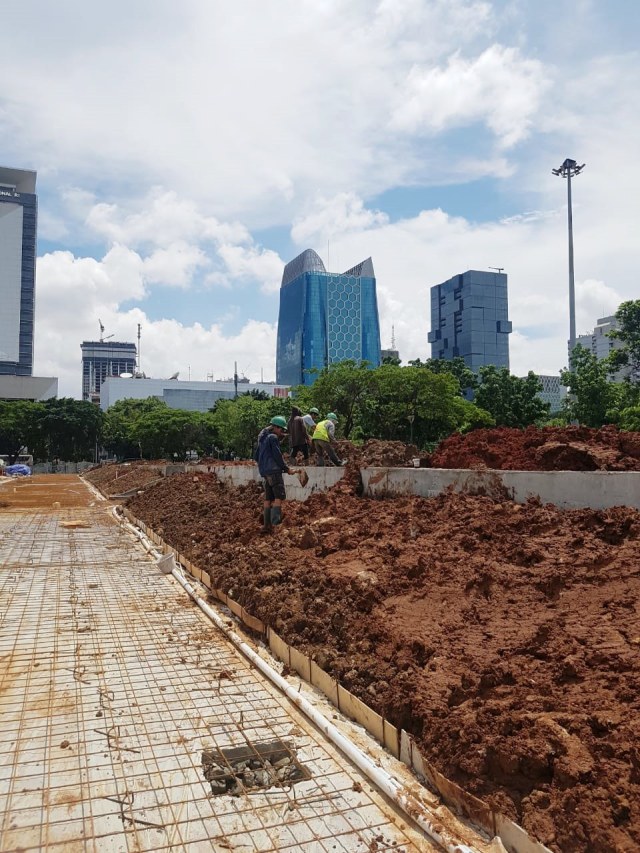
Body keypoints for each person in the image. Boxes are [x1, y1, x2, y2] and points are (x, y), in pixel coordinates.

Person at [254, 416, 290, 531]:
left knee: (268, 498)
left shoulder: (263, 439)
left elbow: (256, 456)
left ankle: (266, 525)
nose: (281, 432)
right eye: (281, 429)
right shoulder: (273, 437)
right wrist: (286, 468)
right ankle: (275, 525)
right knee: (278, 497)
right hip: (274, 472)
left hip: (265, 472)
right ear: (275, 427)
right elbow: (277, 455)